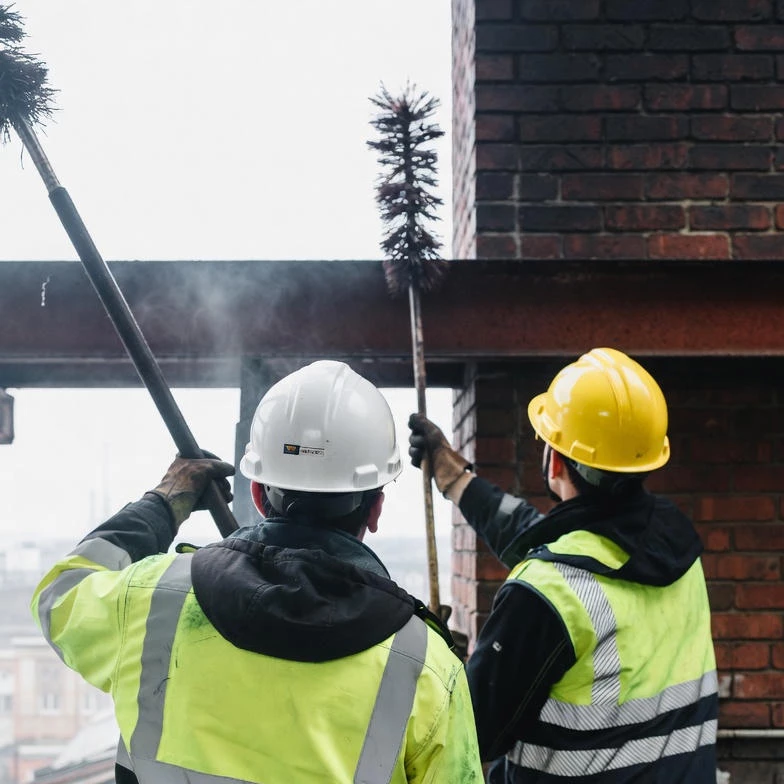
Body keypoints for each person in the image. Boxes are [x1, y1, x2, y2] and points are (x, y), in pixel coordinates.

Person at [31, 360, 484, 784]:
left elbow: (60, 595)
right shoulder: (424, 664)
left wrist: (163, 501)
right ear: (375, 509)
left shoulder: (153, 599)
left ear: (260, 494)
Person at [408, 347, 718, 783]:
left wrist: (440, 658)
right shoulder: (676, 545)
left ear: (554, 460)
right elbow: (545, 534)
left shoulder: (548, 593)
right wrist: (456, 478)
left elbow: (468, 732)